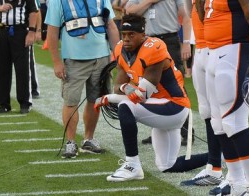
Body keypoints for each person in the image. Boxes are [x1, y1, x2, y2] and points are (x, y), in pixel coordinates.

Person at [95, 14, 208, 182]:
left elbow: (141, 96)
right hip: (158, 109)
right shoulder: (120, 49)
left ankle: (132, 165)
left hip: (174, 107)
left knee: (126, 107)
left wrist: (110, 97)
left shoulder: (154, 48)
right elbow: (118, 88)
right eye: (124, 34)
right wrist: (120, 91)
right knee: (167, 166)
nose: (126, 39)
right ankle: (220, 154)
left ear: (143, 34)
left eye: (131, 34)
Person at [196, 0, 249, 194]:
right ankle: (236, 182)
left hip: (235, 50)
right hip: (214, 52)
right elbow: (203, 16)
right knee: (218, 124)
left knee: (234, 122)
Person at [45, 0, 120, 158]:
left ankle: (89, 139)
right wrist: (57, 62)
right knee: (71, 101)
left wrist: (119, 55)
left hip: (102, 57)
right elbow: (52, 31)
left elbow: (111, 26)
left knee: (95, 100)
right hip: (73, 59)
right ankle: (70, 142)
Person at [125, 0, 194, 146]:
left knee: (177, 86)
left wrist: (186, 42)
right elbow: (129, 12)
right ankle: (158, 129)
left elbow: (186, 17)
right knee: (150, 86)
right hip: (147, 42)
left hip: (169, 39)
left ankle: (187, 132)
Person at [180, 0, 224, 189]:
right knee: (206, 110)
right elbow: (191, 10)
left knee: (226, 115)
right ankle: (214, 166)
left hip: (222, 46)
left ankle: (237, 174)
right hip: (202, 45)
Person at [0, 0, 39, 114]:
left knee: (22, 68)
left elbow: (33, 11)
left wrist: (32, 32)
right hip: (0, 30)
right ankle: (4, 104)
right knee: (1, 69)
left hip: (20, 31)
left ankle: (25, 103)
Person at [30, 0, 42, 99]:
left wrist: (38, 30)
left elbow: (37, 11)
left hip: (26, 30)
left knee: (29, 61)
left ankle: (34, 89)